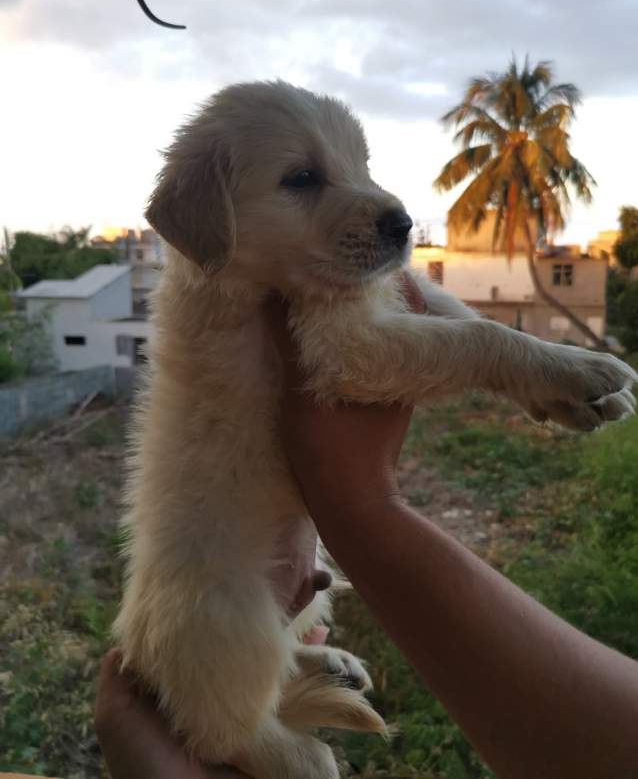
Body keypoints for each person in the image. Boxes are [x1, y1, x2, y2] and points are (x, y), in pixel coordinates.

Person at [96, 277, 638, 779]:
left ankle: (273, 671)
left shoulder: (308, 254)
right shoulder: (229, 280)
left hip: (275, 563)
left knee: (243, 625)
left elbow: (411, 300)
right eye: (303, 181)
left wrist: (527, 377)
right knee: (208, 619)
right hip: (215, 575)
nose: (381, 207)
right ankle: (242, 730)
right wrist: (514, 363)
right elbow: (353, 359)